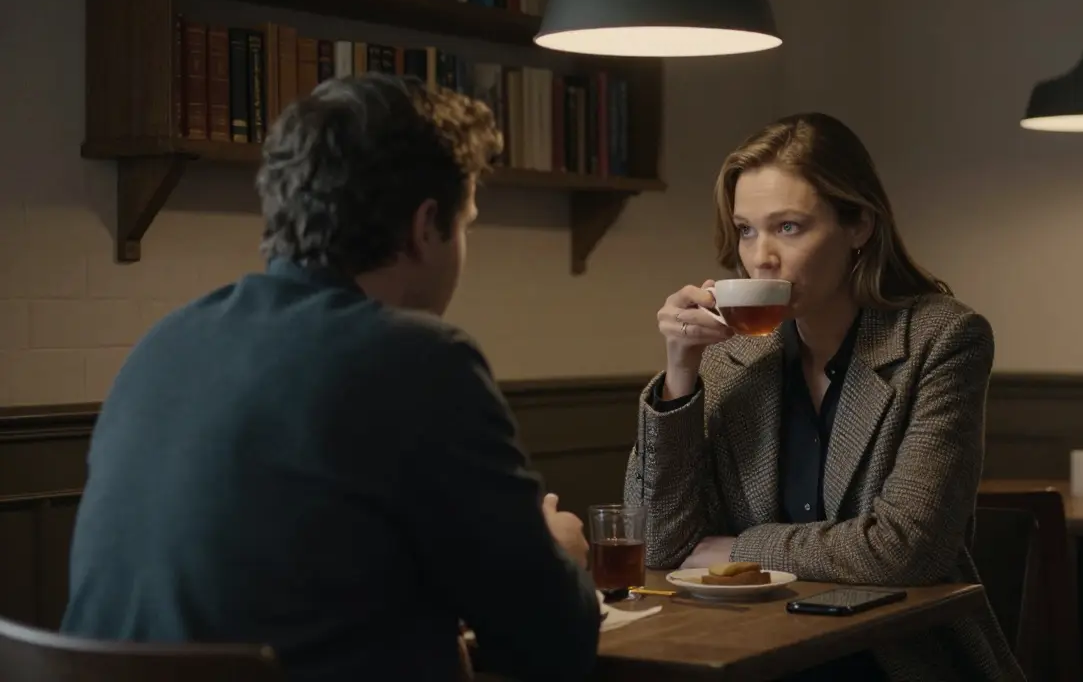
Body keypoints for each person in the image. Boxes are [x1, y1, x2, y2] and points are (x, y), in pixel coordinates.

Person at [60, 74, 601, 682]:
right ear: (426, 227)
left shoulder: (165, 343)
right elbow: (550, 641)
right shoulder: (420, 360)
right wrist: (555, 553)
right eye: (468, 222)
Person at [623, 112, 1025, 681]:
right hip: (755, 653)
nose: (760, 257)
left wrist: (742, 551)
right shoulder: (732, 356)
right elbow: (661, 544)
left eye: (788, 227)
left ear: (858, 224)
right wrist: (679, 373)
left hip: (896, 660)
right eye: (745, 230)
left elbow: (906, 549)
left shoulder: (942, 339)